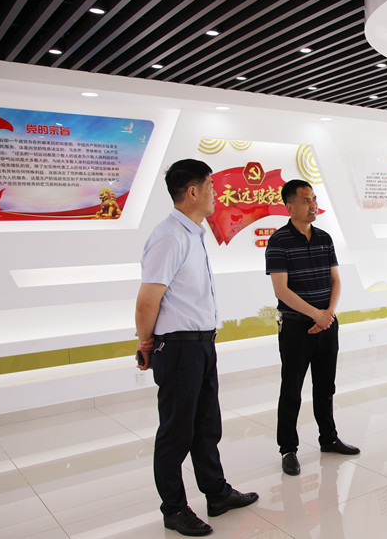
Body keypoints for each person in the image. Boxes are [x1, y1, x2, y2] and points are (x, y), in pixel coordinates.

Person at [135, 159, 258, 536]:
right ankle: (174, 508)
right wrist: (145, 342)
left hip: (201, 346)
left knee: (206, 425)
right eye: (210, 186)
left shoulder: (192, 234)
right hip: (178, 349)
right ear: (192, 191)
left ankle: (216, 493)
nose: (215, 194)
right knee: (176, 432)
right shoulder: (169, 236)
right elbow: (147, 300)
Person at [265, 179, 360, 477]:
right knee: (292, 389)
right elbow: (281, 290)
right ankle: (288, 449)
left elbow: (336, 280)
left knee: (325, 386)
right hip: (296, 327)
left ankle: (328, 438)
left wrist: (327, 315)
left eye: (314, 199)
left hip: (327, 324)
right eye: (306, 200)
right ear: (289, 206)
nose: (313, 204)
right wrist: (315, 314)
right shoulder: (279, 241)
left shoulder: (324, 238)